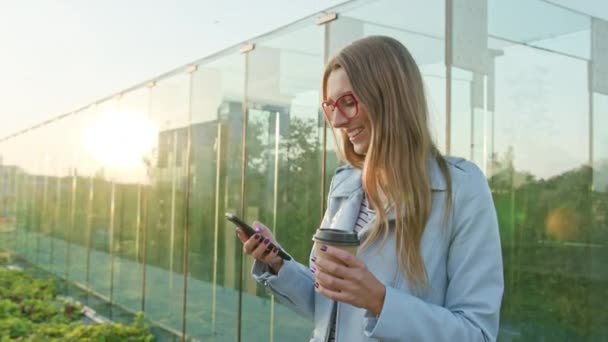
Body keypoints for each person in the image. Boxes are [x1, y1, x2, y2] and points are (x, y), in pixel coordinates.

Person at [236, 35, 503, 341]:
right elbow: (330, 309)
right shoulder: (345, 184)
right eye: (330, 106)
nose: (337, 121)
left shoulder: (461, 189)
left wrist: (379, 300)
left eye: (348, 103)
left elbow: (476, 333)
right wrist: (278, 264)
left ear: (389, 97)